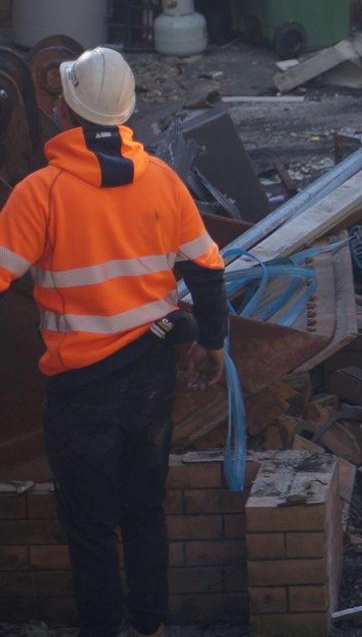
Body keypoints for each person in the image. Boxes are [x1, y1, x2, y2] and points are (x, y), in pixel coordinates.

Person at [0, 46, 227, 637]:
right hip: (152, 375)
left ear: (62, 106)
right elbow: (206, 268)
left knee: (90, 524)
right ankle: (150, 624)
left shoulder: (40, 192)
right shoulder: (163, 181)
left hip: (81, 389)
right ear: (127, 112)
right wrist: (215, 342)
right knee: (144, 508)